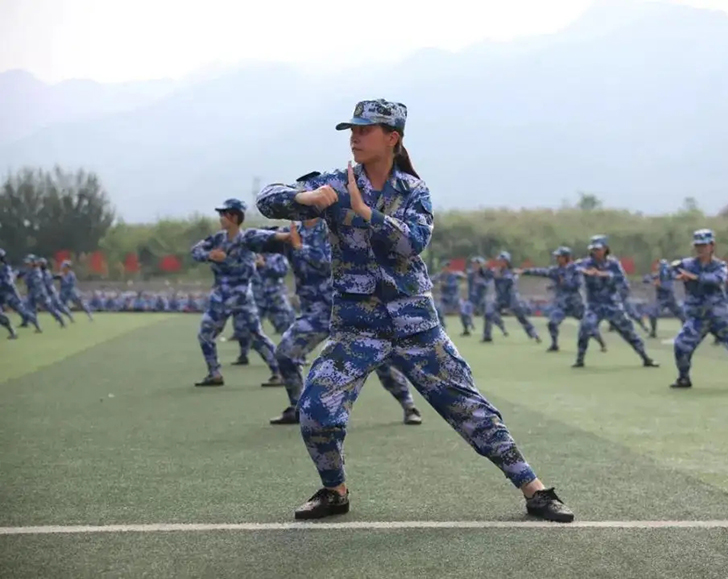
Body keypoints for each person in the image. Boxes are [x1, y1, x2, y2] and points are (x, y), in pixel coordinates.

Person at [257, 98, 573, 522]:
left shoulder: (413, 191)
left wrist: (368, 213)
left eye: (365, 129)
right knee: (316, 410)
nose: (354, 136)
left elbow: (412, 243)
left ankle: (535, 490)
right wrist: (307, 196)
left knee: (470, 410)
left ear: (392, 138)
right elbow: (268, 199)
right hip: (357, 330)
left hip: (415, 328)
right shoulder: (335, 181)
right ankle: (335, 490)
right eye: (352, 129)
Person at [266, 218, 424, 427]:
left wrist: (299, 247)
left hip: (348, 308)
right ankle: (298, 408)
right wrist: (279, 236)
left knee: (381, 359)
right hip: (316, 314)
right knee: (285, 353)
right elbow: (251, 240)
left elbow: (327, 262)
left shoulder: (334, 228)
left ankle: (408, 405)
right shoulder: (293, 231)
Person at [190, 198, 287, 387]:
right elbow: (195, 251)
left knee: (256, 337)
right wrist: (209, 255)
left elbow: (248, 269)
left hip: (240, 294)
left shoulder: (246, 241)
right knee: (205, 334)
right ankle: (214, 373)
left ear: (234, 217)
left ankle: (279, 373)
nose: (220, 218)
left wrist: (223, 260)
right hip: (221, 294)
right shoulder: (218, 239)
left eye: (223, 214)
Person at [670, 229, 728, 389]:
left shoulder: (720, 265)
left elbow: (717, 279)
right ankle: (683, 378)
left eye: (704, 245)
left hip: (719, 316)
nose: (700, 249)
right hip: (698, 316)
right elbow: (669, 272)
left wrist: (695, 278)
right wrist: (673, 273)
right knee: (681, 345)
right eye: (698, 245)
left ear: (712, 246)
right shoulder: (688, 264)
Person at [573, 235, 658, 368]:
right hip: (594, 305)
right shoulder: (585, 263)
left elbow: (622, 280)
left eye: (598, 249)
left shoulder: (613, 264)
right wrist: (584, 272)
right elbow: (571, 269)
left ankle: (645, 357)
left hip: (612, 304)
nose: (596, 252)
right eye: (594, 249)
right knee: (586, 328)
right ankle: (579, 359)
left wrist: (605, 274)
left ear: (605, 249)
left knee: (628, 331)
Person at [520, 246, 605, 352]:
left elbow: (576, 284)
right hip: (561, 304)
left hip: (575, 303)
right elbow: (542, 271)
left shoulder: (575, 269)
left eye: (559, 257)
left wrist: (564, 282)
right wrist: (524, 271)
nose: (557, 259)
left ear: (566, 257)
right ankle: (554, 344)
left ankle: (602, 344)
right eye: (557, 257)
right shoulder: (556, 270)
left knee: (588, 325)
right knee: (552, 323)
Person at [483, 251, 540, 344]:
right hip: (500, 299)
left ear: (506, 262)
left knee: (521, 317)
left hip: (512, 299)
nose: (500, 263)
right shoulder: (496, 271)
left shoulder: (511, 272)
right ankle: (487, 336)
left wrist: (498, 276)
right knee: (488, 313)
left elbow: (509, 279)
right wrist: (485, 267)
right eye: (499, 261)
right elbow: (485, 274)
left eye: (502, 261)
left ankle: (534, 333)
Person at [0, 248, 40, 333]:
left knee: (22, 311)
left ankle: (37, 325)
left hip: (9, 293)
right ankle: (12, 331)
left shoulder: (5, 268)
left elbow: (8, 282)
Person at [645, 258, 685, 338]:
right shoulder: (658, 275)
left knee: (682, 315)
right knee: (653, 314)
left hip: (669, 298)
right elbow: (646, 279)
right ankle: (653, 332)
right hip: (661, 299)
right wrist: (651, 280)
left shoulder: (668, 274)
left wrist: (659, 285)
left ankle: (686, 331)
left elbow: (667, 287)